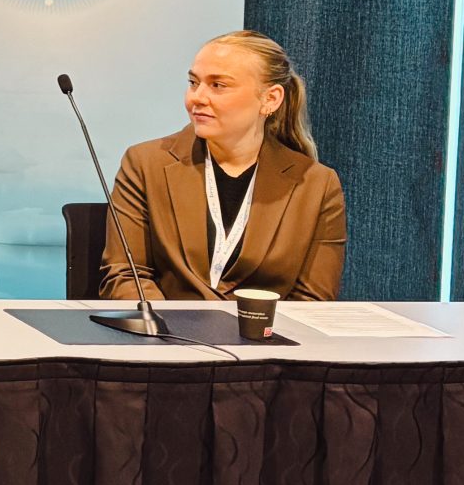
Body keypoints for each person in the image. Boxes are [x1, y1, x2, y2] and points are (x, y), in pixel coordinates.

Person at [101, 29, 346, 301]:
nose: (197, 98)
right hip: (167, 337)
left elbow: (312, 301)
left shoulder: (317, 184)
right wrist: (171, 336)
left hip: (263, 339)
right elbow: (126, 276)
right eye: (194, 83)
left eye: (218, 85)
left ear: (270, 99)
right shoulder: (146, 164)